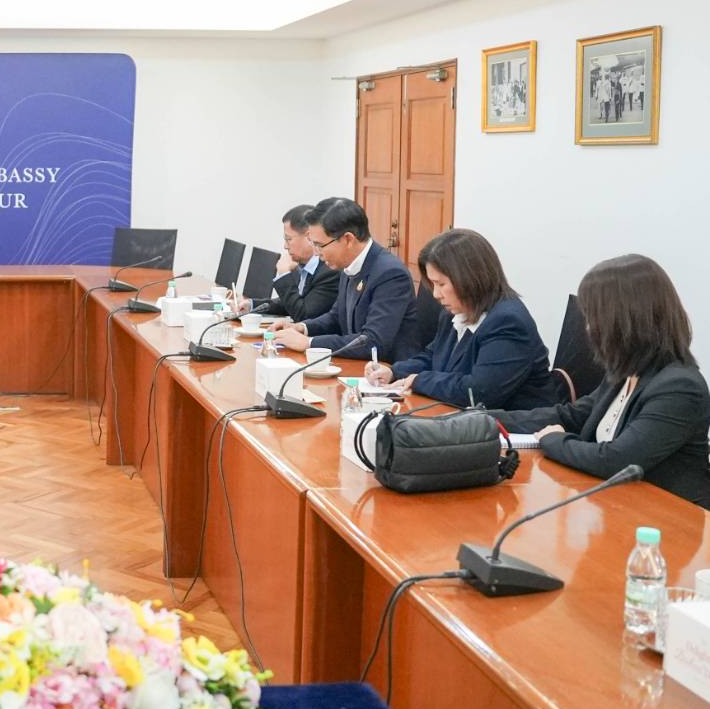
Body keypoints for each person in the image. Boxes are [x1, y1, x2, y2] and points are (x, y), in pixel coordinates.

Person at [494, 255, 710, 509]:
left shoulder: (680, 388)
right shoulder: (626, 373)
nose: (588, 328)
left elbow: (616, 460)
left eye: (593, 318)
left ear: (624, 321)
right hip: (619, 505)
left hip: (669, 517)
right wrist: (488, 419)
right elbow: (570, 416)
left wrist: (552, 440)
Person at [363, 229, 555, 410]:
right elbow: (432, 357)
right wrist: (394, 372)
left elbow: (478, 393)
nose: (436, 294)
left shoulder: (507, 322)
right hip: (463, 418)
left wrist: (419, 381)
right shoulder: (455, 311)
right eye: (433, 284)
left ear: (470, 278)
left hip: (513, 426)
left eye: (441, 284)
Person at [271, 197, 414, 360]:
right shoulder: (348, 265)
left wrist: (310, 342)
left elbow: (373, 342)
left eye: (320, 245)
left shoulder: (390, 274)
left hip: (387, 370)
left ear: (348, 239)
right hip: (358, 364)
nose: (316, 253)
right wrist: (302, 328)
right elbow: (336, 317)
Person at [239, 204, 340, 322]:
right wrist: (252, 305)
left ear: (309, 237)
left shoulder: (329, 271)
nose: (285, 246)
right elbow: (290, 303)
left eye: (288, 239)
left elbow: (303, 315)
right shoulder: (302, 265)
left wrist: (283, 275)